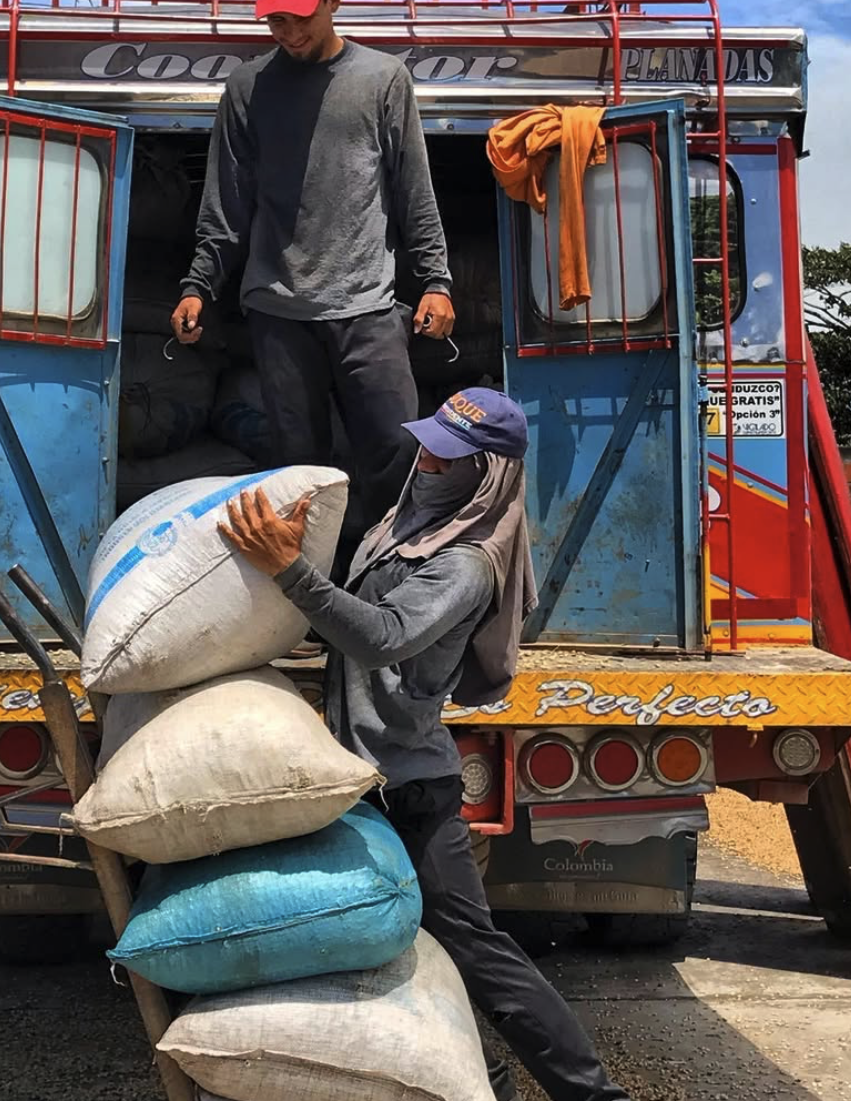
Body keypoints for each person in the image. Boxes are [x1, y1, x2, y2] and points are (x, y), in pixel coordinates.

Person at [219, 387, 631, 1101]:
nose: (429, 463)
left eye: (449, 457)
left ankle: (592, 1095)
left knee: (475, 950)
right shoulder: (405, 524)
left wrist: (290, 570)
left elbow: (382, 637)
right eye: (429, 447)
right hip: (360, 775)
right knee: (389, 950)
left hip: (407, 788)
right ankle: (486, 1082)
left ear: (487, 475)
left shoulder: (466, 562)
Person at [171, 0, 455, 528]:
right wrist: (198, 285)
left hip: (368, 310)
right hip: (279, 313)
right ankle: (310, 584)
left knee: (397, 454)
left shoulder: (382, 79)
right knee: (298, 475)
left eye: (301, 15)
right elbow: (227, 201)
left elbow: (413, 190)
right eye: (276, 19)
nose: (290, 31)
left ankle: (390, 577)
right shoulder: (248, 88)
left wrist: (436, 281)